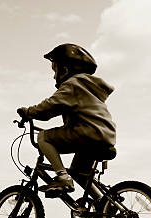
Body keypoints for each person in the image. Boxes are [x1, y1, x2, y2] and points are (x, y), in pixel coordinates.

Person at [17, 43, 116, 196]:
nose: (54, 75)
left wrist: (29, 112)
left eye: (55, 70)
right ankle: (103, 204)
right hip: (103, 136)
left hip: (87, 133)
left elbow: (50, 106)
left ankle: (62, 177)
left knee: (43, 137)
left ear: (64, 70)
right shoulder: (90, 88)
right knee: (78, 172)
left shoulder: (73, 84)